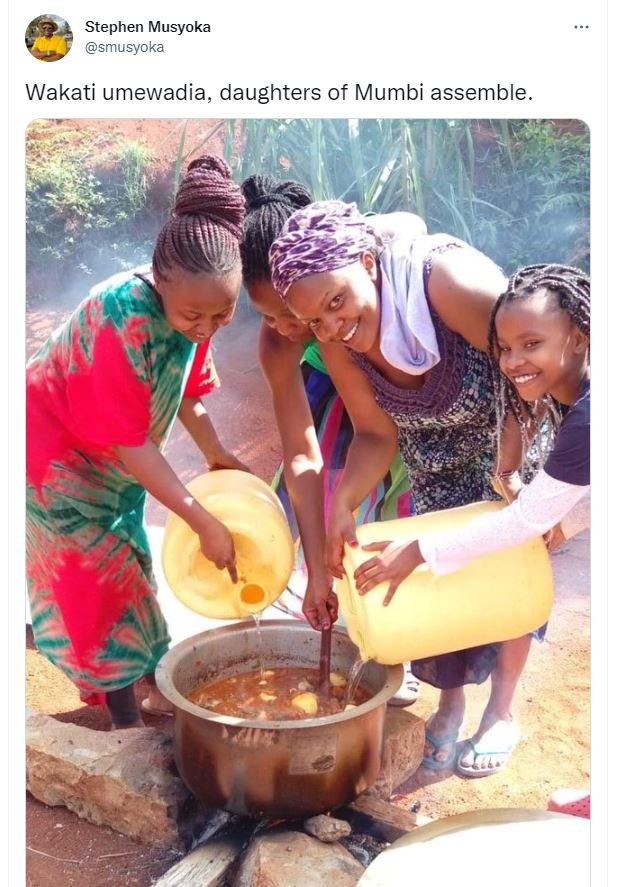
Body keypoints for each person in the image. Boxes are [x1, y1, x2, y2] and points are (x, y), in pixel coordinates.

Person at [269, 200, 532, 776]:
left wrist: (511, 470)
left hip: (509, 441)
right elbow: (374, 433)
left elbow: (529, 368)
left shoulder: (448, 283)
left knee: (509, 577)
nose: (332, 327)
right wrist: (343, 503)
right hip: (434, 464)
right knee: (442, 584)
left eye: (336, 302)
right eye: (316, 321)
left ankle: (502, 711)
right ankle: (452, 701)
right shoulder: (338, 341)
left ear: (365, 260)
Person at [26, 155, 248, 729]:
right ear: (161, 285)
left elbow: (192, 394)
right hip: (53, 464)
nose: (205, 328)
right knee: (96, 587)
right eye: (194, 316)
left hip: (110, 465)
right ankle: (125, 725)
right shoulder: (120, 315)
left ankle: (145, 679)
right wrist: (202, 520)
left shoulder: (195, 306)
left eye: (223, 315)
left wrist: (217, 454)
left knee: (129, 566)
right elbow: (131, 445)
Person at [352, 263, 590, 775]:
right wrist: (553, 514)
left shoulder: (593, 412)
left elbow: (525, 522)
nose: (513, 361)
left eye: (532, 343)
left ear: (578, 335)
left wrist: (418, 550)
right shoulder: (571, 399)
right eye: (504, 348)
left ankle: (502, 719)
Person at [241, 175, 424, 704]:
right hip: (341, 403)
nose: (286, 325)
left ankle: (395, 648)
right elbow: (302, 454)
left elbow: (379, 430)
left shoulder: (346, 299)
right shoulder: (280, 341)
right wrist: (317, 565)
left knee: (387, 520)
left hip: (396, 404)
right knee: (327, 510)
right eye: (268, 314)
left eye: (289, 310)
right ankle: (342, 615)